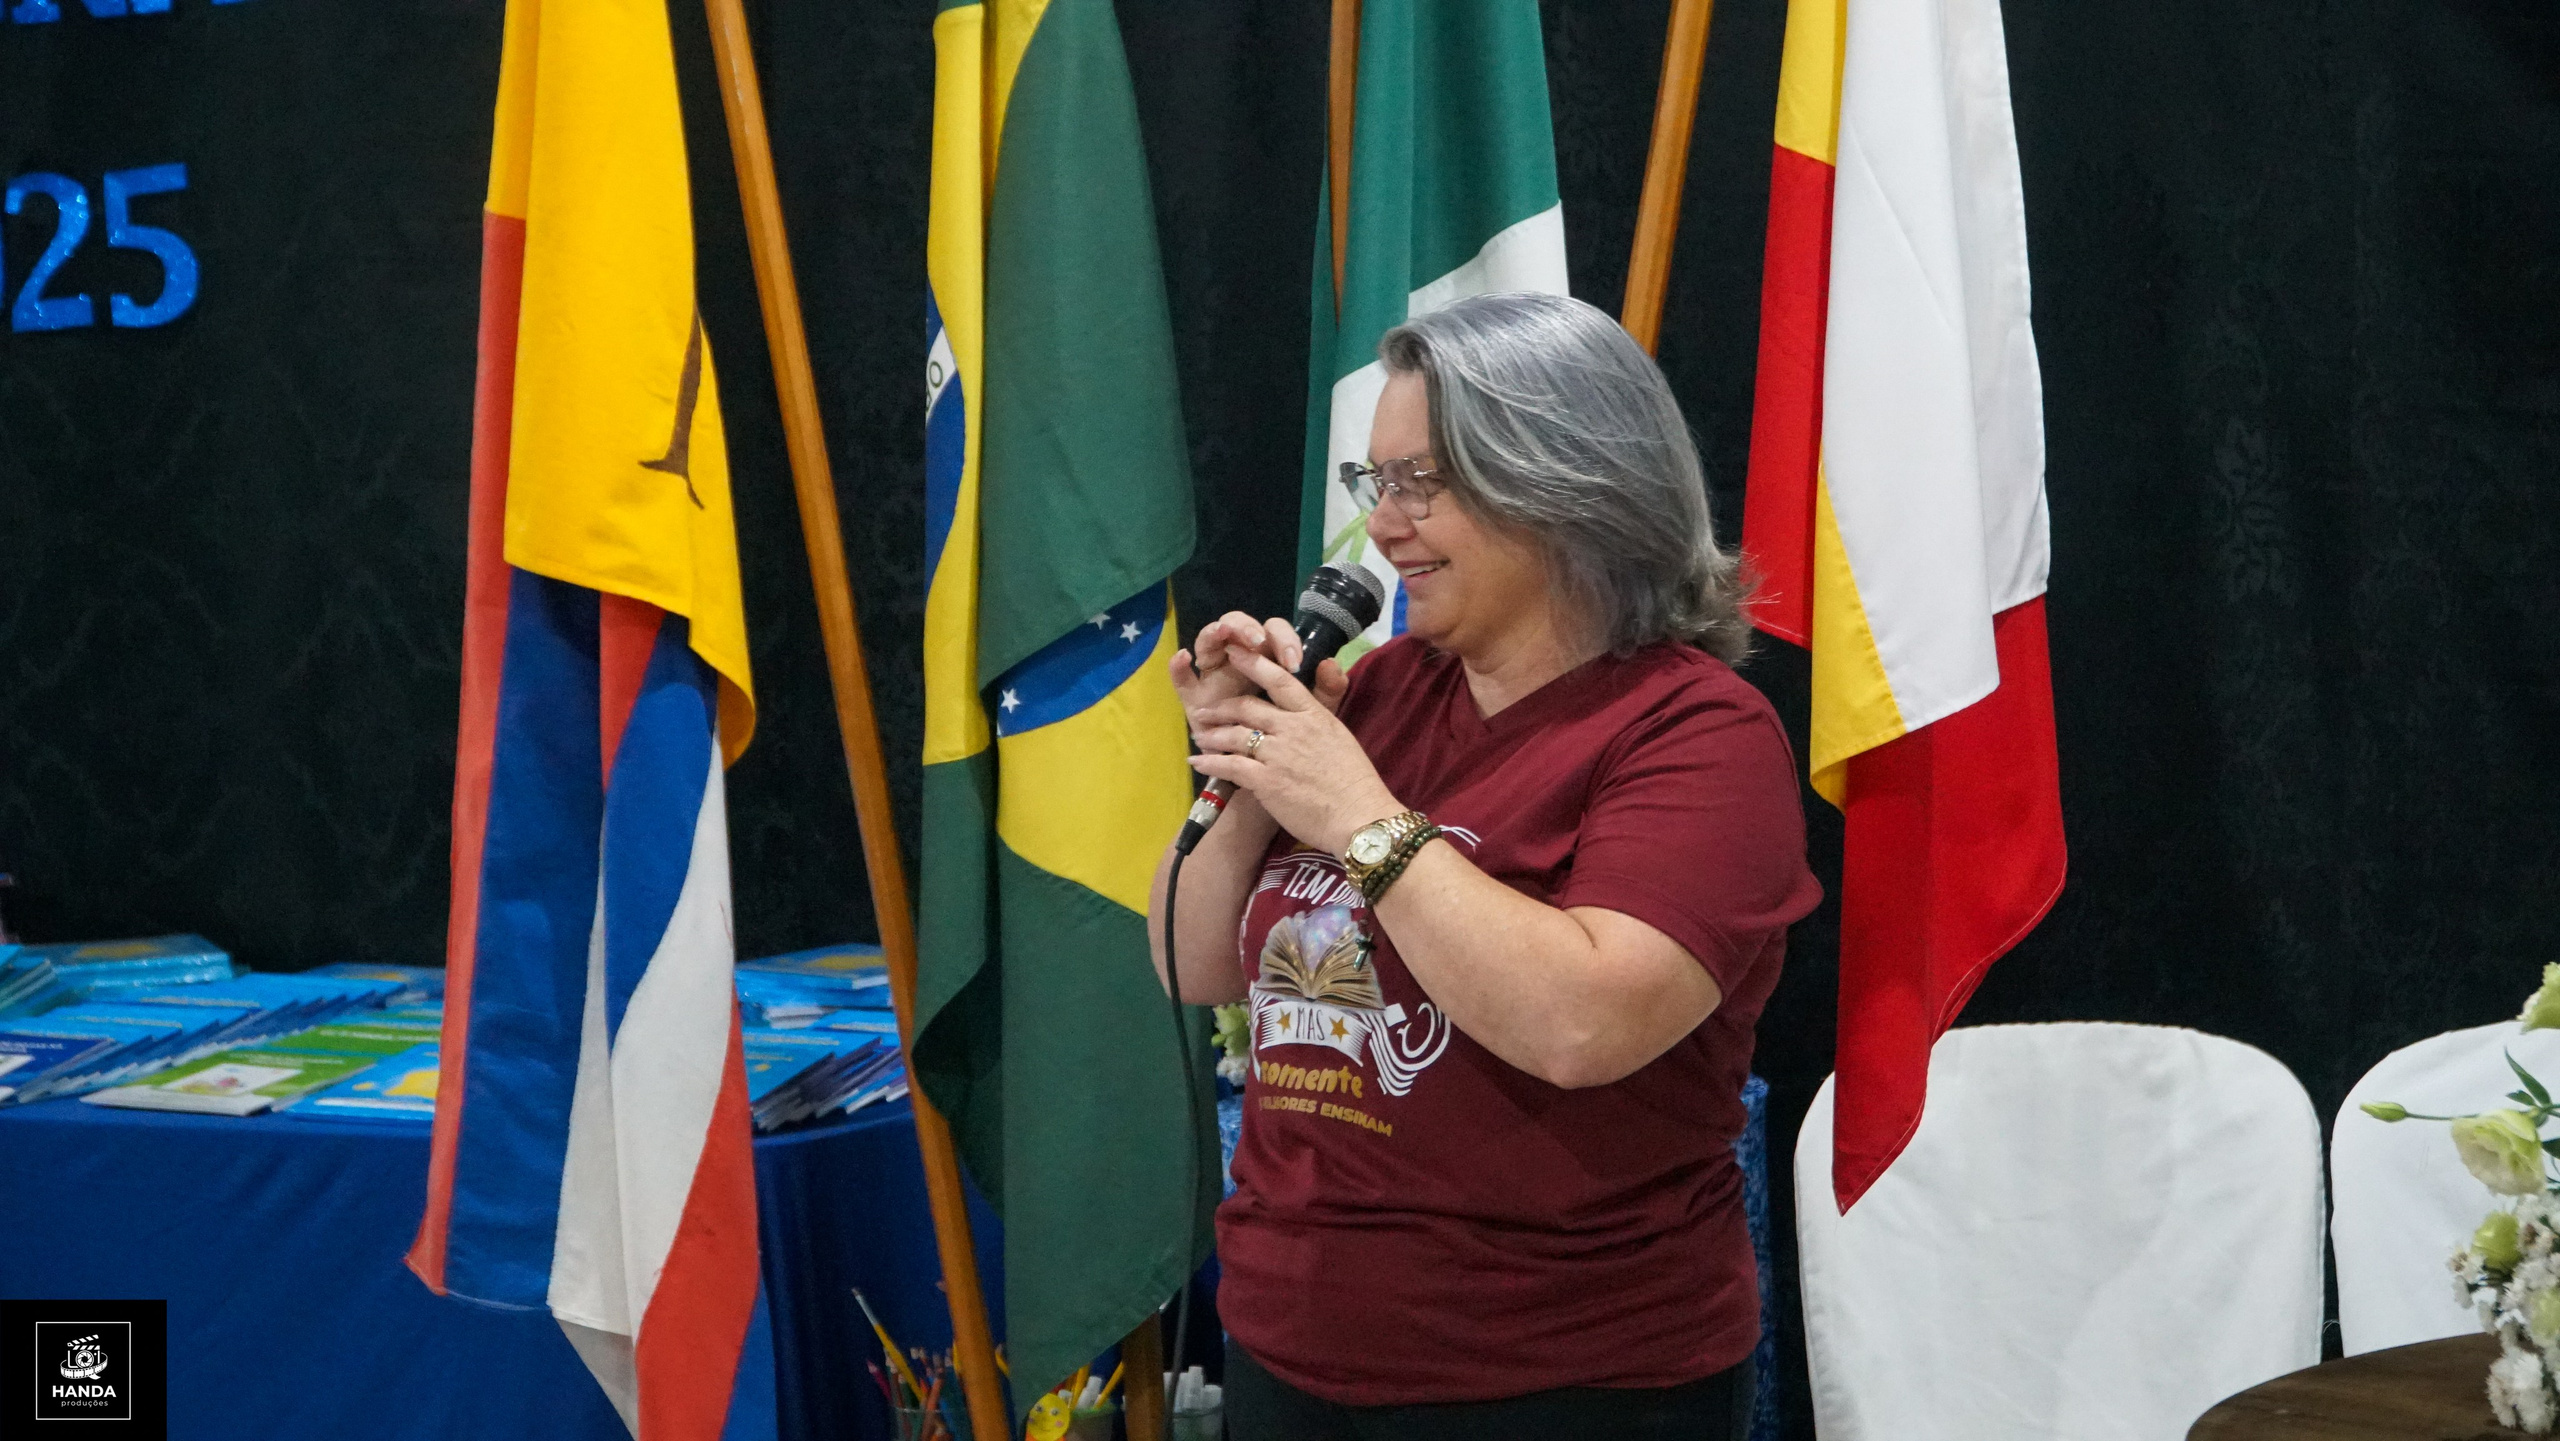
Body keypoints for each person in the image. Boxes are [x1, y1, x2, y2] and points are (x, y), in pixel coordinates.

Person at [1149, 290, 1822, 1440]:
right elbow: (1196, 958)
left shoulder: (1697, 734)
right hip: (1291, 1352)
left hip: (1560, 1379)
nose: (1386, 527)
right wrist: (1251, 758)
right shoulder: (1383, 694)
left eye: (1424, 483)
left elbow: (1581, 1023)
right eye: (1377, 485)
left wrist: (1354, 807)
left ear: (1565, 485)